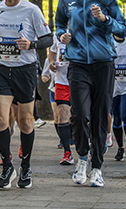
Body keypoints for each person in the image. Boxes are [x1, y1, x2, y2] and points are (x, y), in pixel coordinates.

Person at [55, 0, 126, 187]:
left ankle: (97, 167)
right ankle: (82, 158)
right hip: (77, 63)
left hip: (103, 63)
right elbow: (58, 24)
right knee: (79, 114)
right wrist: (62, 35)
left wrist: (105, 19)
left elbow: (121, 30)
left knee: (99, 116)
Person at [0, 0, 52, 189]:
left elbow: (48, 39)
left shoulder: (32, 10)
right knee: (1, 120)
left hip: (25, 70)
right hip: (2, 69)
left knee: (26, 121)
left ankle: (26, 166)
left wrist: (31, 44)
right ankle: (7, 166)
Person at [48, 34, 74, 165]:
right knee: (62, 116)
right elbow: (52, 52)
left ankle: (87, 148)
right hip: (61, 81)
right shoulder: (58, 35)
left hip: (81, 82)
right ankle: (67, 152)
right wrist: (52, 62)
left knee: (82, 117)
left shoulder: (86, 28)